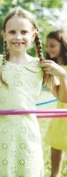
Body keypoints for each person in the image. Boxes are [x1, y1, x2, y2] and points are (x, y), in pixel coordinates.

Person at [0, 9, 67, 176]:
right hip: (0, 133)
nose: (18, 37)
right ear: (4, 35)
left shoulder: (40, 66)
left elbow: (63, 98)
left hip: (27, 133)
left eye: (24, 32)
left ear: (34, 35)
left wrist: (63, 75)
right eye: (12, 32)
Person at [43, 30, 67, 177]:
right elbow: (59, 95)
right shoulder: (49, 70)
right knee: (56, 144)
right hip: (61, 113)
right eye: (47, 46)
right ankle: (54, 174)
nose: (48, 49)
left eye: (52, 45)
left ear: (63, 45)